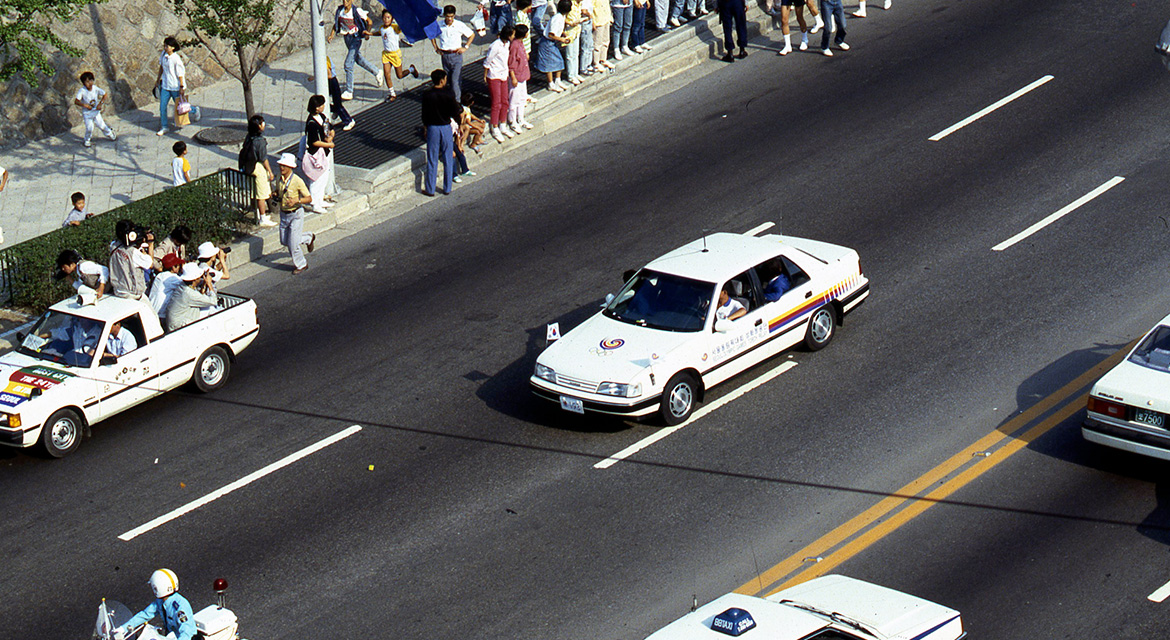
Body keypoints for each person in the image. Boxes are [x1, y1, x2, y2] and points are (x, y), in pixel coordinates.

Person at [328, 0, 384, 100]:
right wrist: (331, 35)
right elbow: (336, 23)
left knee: (348, 64)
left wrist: (367, 32)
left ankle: (349, 91)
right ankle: (377, 72)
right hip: (347, 38)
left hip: (356, 39)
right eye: (344, 0)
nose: (345, 2)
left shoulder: (356, 11)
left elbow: (369, 21)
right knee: (358, 59)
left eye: (348, 0)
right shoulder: (340, 10)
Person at [116, 570, 196, 640]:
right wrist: (123, 628)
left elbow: (187, 633)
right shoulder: (160, 602)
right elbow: (145, 615)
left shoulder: (180, 607)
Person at [420, 70, 462, 196]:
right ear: (442, 80)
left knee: (432, 158)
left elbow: (424, 114)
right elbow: (455, 111)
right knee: (448, 157)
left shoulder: (427, 95)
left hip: (433, 127)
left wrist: (426, 127)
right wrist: (458, 123)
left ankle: (430, 189)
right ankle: (447, 187)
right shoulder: (449, 94)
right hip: (445, 127)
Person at [274, 153, 316, 274]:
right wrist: (275, 194)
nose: (282, 168)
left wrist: (296, 201)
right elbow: (278, 191)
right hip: (284, 214)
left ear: (290, 167)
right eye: (281, 165)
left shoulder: (297, 181)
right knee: (284, 241)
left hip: (295, 214)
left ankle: (301, 264)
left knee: (293, 245)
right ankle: (308, 238)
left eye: (284, 166)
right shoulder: (278, 178)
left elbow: (309, 198)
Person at [369, 9, 420, 102]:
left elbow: (402, 27)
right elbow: (379, 33)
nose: (386, 20)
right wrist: (370, 33)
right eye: (384, 18)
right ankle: (392, 93)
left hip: (395, 54)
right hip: (386, 54)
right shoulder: (381, 28)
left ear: (392, 19)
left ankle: (411, 69)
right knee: (387, 74)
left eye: (388, 18)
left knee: (399, 75)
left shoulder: (394, 28)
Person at [239, 115, 277, 227]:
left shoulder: (249, 137)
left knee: (255, 192)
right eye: (261, 123)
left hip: (249, 166)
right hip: (257, 167)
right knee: (262, 194)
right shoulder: (260, 141)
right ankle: (263, 217)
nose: (263, 124)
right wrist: (270, 171)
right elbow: (263, 158)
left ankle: (259, 214)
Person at [433, 5, 476, 102]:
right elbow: (431, 34)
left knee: (455, 80)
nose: (449, 19)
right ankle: (451, 98)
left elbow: (471, 35)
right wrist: (436, 48)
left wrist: (466, 47)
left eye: (451, 16)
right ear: (444, 15)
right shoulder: (439, 25)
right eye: (448, 16)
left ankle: (457, 102)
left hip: (456, 55)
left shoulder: (459, 25)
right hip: (445, 55)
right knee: (448, 80)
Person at [304, 95, 336, 212]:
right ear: (316, 107)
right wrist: (328, 145)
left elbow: (330, 129)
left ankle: (320, 199)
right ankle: (315, 203)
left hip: (324, 153)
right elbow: (314, 142)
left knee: (324, 176)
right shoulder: (311, 123)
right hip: (316, 154)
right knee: (316, 178)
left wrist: (330, 137)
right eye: (321, 105)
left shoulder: (322, 117)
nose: (323, 107)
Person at [109, 219, 154, 300]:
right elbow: (150, 264)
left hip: (119, 290)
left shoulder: (113, 246)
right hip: (133, 294)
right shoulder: (133, 253)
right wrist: (150, 244)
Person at [167, 263, 219, 331]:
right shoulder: (188, 293)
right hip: (179, 326)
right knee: (211, 309)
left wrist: (204, 284)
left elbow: (199, 296)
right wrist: (209, 284)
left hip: (176, 321)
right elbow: (213, 301)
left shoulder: (182, 286)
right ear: (195, 279)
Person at [485, 26, 515, 141]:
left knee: (505, 101)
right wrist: (485, 75)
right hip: (494, 76)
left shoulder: (507, 44)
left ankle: (503, 123)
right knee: (496, 102)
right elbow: (487, 61)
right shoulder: (495, 46)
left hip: (503, 75)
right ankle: (494, 126)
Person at [74, 71, 116, 148]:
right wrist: (85, 105)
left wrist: (100, 103)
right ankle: (87, 140)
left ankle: (110, 133)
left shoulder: (95, 89)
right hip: (87, 114)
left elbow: (104, 94)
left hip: (96, 112)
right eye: (87, 82)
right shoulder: (82, 91)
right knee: (90, 128)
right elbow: (76, 101)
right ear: (83, 83)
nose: (89, 83)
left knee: (102, 125)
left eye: (91, 80)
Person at [537, 0, 570, 91]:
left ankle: (557, 81)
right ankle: (550, 83)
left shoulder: (561, 17)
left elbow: (557, 29)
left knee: (559, 61)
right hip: (547, 42)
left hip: (552, 42)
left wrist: (563, 33)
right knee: (549, 64)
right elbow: (551, 34)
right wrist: (561, 39)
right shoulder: (557, 18)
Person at [156, 37, 186, 136]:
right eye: (164, 45)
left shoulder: (176, 59)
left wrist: (181, 87)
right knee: (162, 107)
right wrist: (157, 80)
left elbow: (180, 74)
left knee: (180, 106)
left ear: (172, 47)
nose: (165, 48)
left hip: (175, 86)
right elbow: (161, 68)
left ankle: (194, 110)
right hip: (165, 86)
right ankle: (164, 126)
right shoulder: (163, 55)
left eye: (167, 46)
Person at [507, 24, 535, 131]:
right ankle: (513, 121)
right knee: (514, 99)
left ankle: (521, 119)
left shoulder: (520, 43)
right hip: (517, 77)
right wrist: (513, 77)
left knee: (522, 99)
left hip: (523, 75)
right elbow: (511, 63)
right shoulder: (514, 45)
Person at [324, 56, 356, 131]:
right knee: (328, 102)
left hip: (331, 82)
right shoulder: (327, 58)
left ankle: (348, 120)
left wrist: (316, 77)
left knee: (337, 104)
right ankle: (336, 110)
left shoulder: (324, 61)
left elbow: (329, 75)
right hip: (332, 82)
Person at [148, 253, 184, 318]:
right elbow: (188, 284)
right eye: (178, 265)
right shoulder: (172, 278)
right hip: (160, 315)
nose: (180, 267)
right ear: (173, 267)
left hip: (151, 311)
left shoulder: (159, 276)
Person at [591, 0, 614, 71]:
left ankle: (603, 59)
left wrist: (610, 17)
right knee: (597, 43)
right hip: (598, 21)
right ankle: (596, 62)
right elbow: (590, 9)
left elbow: (607, 6)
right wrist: (592, 22)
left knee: (606, 40)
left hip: (606, 19)